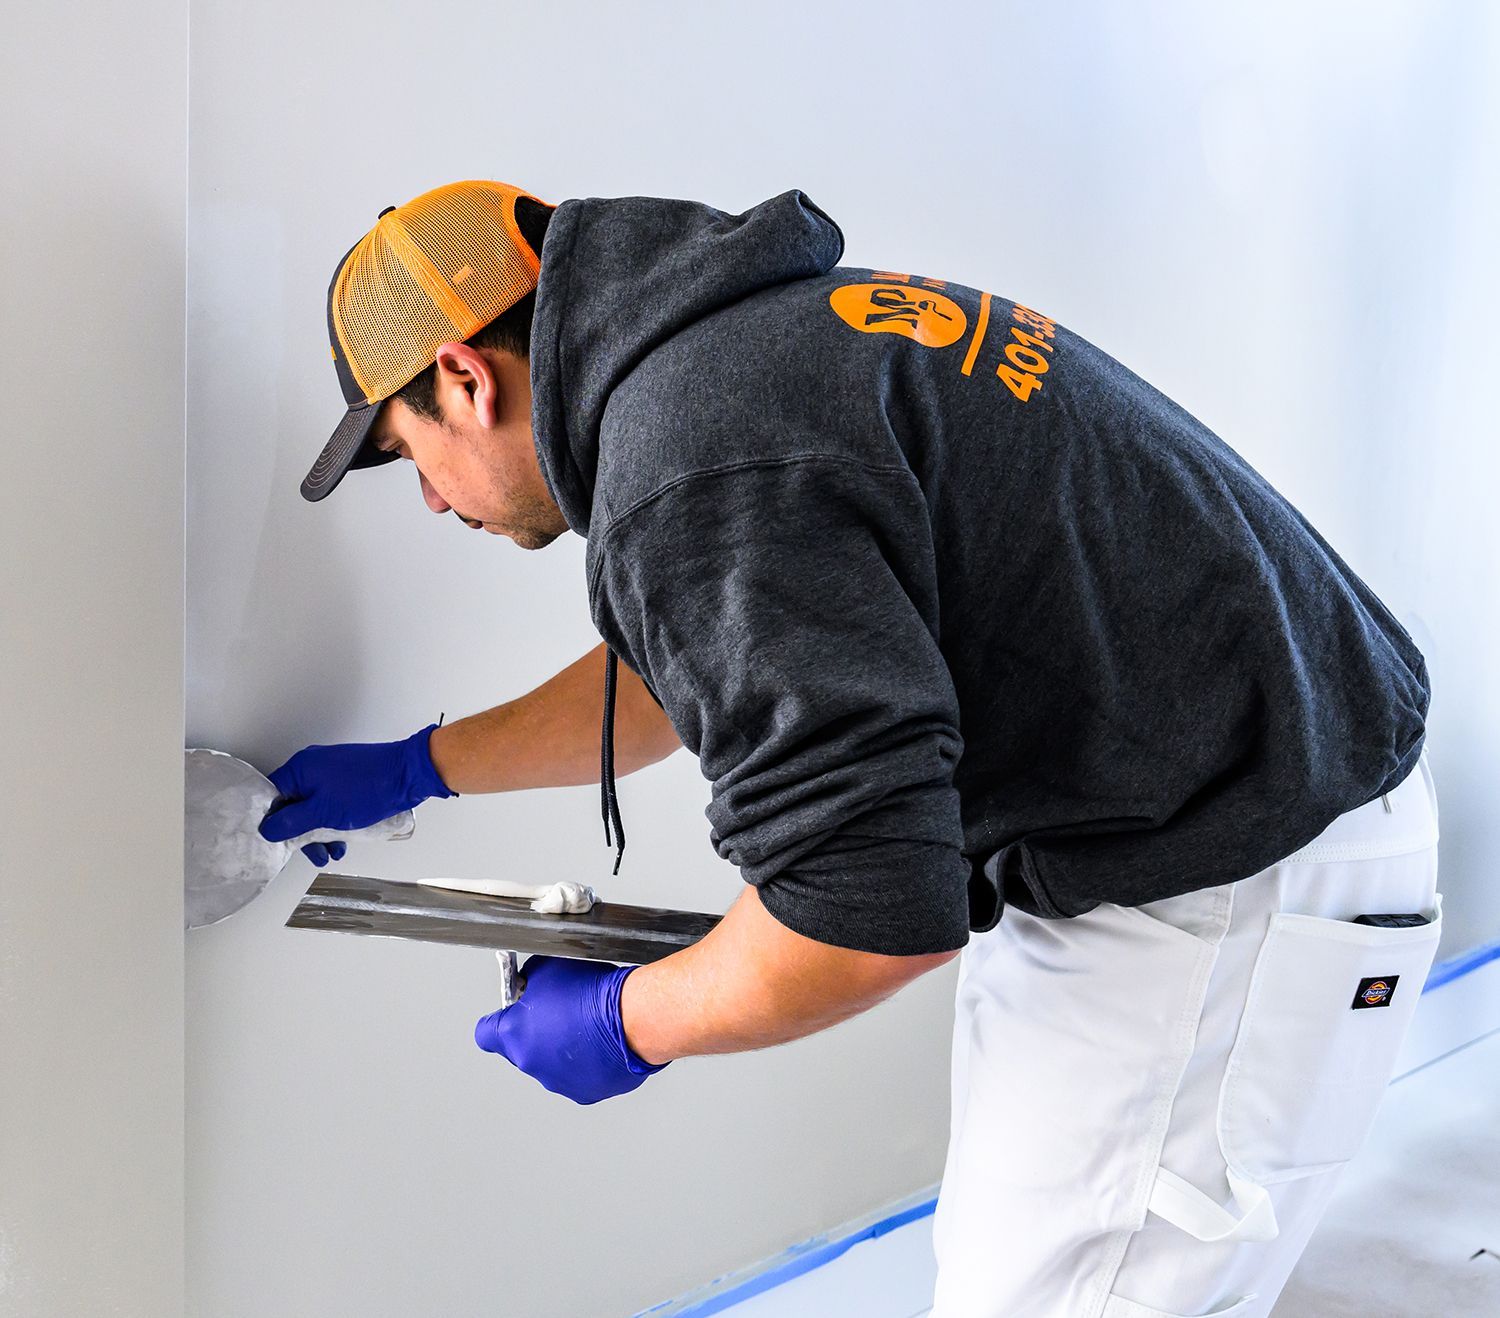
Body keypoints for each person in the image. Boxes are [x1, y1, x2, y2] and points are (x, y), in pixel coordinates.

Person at [260, 179, 1442, 1317]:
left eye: (406, 452)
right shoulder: (744, 359)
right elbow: (698, 661)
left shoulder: (693, 460)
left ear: (464, 377)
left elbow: (868, 908)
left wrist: (631, 1023)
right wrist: (424, 764)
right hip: (1194, 827)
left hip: (1222, 884)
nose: (427, 497)